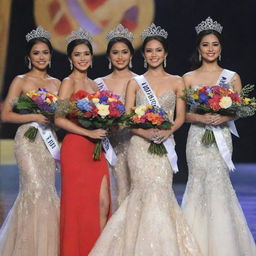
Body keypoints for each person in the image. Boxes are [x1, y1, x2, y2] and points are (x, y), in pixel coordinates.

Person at [89, 24, 202, 256]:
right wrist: (145, 133)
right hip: (139, 146)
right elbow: (128, 118)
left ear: (166, 53)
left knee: (161, 193)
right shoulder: (135, 82)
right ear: (143, 55)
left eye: (158, 50)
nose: (154, 54)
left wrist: (167, 131)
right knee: (139, 194)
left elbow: (179, 117)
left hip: (163, 144)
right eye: (149, 50)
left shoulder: (177, 81)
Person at [181, 17, 256, 255]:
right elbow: (182, 116)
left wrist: (223, 118)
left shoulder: (232, 77)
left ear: (220, 48)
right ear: (199, 48)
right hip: (197, 139)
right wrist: (202, 118)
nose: (210, 49)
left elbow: (240, 110)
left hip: (221, 137)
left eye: (214, 44)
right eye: (205, 44)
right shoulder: (188, 78)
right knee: (197, 186)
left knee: (218, 185)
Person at [0, 26, 60, 256]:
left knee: (47, 190)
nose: (41, 57)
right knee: (33, 189)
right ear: (29, 57)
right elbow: (6, 114)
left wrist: (54, 116)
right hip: (27, 140)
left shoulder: (57, 83)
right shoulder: (21, 80)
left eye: (45, 52)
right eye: (36, 53)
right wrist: (34, 116)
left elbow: (61, 116)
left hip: (48, 142)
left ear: (51, 56)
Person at [54, 28, 111, 256]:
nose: (83, 58)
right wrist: (88, 132)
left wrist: (104, 126)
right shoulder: (67, 83)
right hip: (76, 147)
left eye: (86, 53)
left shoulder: (95, 86)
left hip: (96, 147)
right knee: (78, 207)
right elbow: (58, 119)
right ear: (70, 59)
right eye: (77, 54)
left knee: (103, 202)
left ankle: (99, 251)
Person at [94, 24, 136, 211]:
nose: (120, 57)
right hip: (107, 146)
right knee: (111, 194)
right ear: (109, 56)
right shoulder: (98, 84)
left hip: (133, 144)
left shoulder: (141, 81)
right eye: (115, 52)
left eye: (124, 52)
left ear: (131, 55)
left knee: (131, 192)